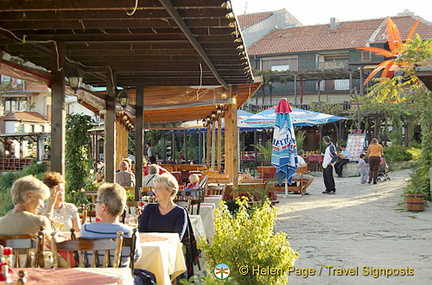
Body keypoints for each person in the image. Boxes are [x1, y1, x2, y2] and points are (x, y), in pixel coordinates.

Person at [138, 173, 198, 277]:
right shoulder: (149, 209)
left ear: (170, 191)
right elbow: (141, 233)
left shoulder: (180, 212)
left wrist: (152, 238)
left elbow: (176, 238)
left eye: (158, 189)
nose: (155, 192)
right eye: (154, 189)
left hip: (169, 255)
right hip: (148, 254)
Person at [80, 183, 141, 268]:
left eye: (96, 202)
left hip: (91, 278)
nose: (94, 205)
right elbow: (135, 258)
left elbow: (81, 256)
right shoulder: (130, 232)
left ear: (103, 207)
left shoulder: (86, 229)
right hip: (119, 279)